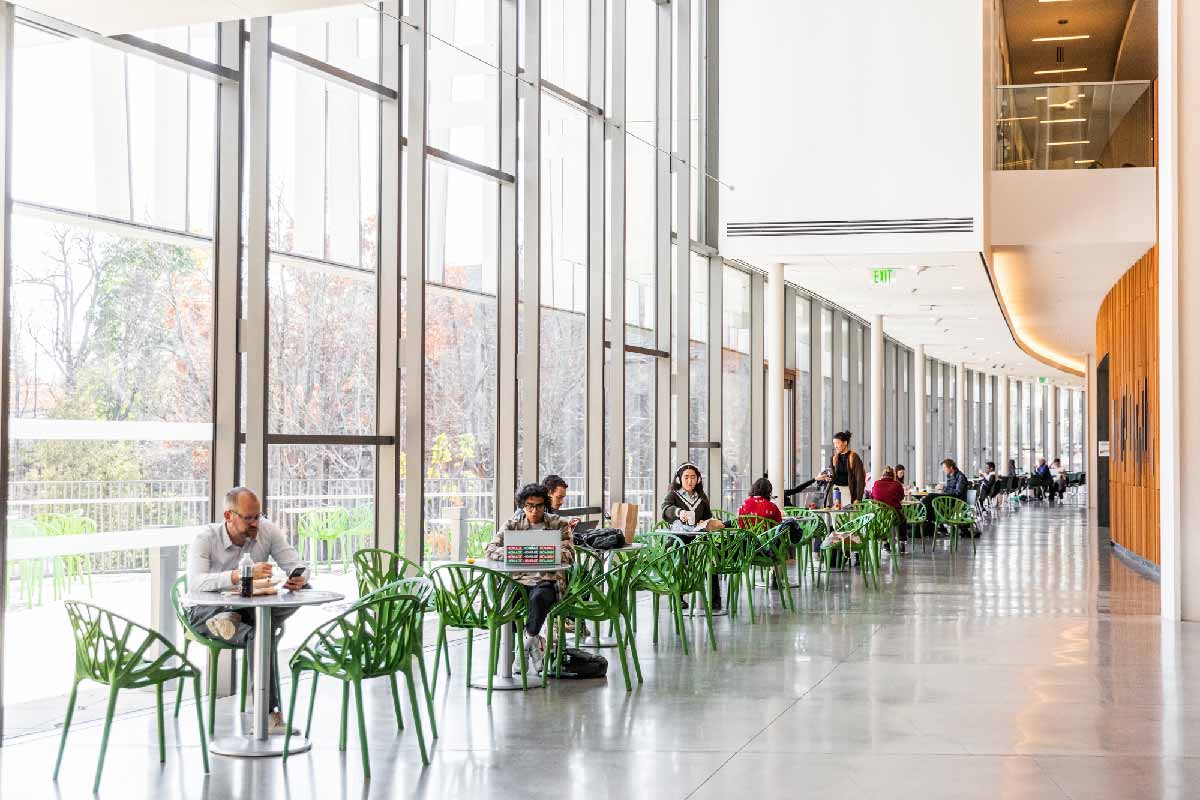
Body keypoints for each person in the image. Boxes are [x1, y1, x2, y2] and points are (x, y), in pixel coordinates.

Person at [186, 487, 308, 734]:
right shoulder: (206, 538)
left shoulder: (267, 530)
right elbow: (195, 583)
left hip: (246, 613)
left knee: (281, 609)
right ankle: (270, 716)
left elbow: (297, 565)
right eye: (248, 517)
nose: (255, 523)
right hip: (204, 611)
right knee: (261, 633)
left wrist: (301, 578)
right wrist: (236, 576)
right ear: (228, 516)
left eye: (258, 516)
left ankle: (232, 617)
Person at [485, 483, 575, 674]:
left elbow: (569, 554)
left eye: (539, 506)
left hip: (548, 580)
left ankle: (525, 644)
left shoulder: (559, 524)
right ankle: (532, 644)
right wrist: (518, 553)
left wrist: (541, 553)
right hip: (519, 581)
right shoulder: (513, 524)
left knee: (539, 598)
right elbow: (490, 549)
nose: (534, 510)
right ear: (523, 506)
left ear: (546, 505)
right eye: (530, 506)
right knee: (506, 605)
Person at [661, 462, 725, 608]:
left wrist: (706, 521)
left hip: (698, 537)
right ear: (679, 479)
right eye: (686, 477)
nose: (690, 481)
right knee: (681, 552)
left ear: (698, 479)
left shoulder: (701, 497)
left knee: (709, 556)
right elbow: (666, 509)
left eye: (693, 477)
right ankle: (679, 596)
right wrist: (679, 512)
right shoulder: (673, 495)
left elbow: (708, 516)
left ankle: (715, 600)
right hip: (678, 539)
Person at [870, 466, 907, 553]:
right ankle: (902, 542)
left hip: (880, 515)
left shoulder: (876, 483)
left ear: (882, 475)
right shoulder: (897, 484)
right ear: (893, 475)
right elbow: (901, 497)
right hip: (893, 515)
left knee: (882, 522)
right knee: (903, 519)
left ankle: (885, 543)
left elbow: (872, 497)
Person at [828, 431, 866, 504]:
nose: (835, 446)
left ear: (845, 443)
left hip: (848, 491)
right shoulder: (833, 458)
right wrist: (833, 465)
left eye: (838, 443)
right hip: (835, 491)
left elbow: (860, 478)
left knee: (848, 514)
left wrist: (858, 498)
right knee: (835, 514)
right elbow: (831, 477)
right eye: (834, 443)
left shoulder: (854, 457)